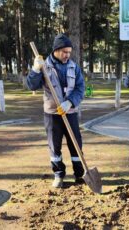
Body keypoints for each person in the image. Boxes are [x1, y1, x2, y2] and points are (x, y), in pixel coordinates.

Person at [26, 34, 85, 188]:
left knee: (76, 145)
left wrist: (70, 102)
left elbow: (80, 88)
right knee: (54, 146)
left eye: (69, 52)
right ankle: (58, 175)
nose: (67, 55)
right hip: (52, 114)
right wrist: (35, 69)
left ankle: (80, 175)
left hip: (70, 112)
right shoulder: (44, 66)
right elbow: (32, 85)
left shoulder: (74, 67)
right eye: (65, 52)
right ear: (56, 50)